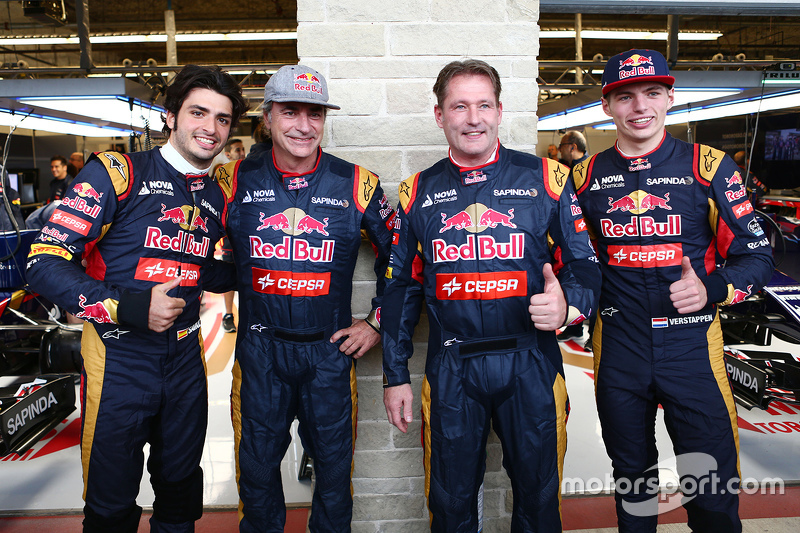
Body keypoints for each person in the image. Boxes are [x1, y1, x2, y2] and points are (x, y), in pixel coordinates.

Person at [26, 64, 248, 532]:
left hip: (187, 360)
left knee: (182, 494)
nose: (210, 128)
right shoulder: (117, 173)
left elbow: (203, 268)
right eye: (198, 112)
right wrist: (127, 306)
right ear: (170, 116)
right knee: (110, 504)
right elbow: (42, 263)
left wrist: (265, 273)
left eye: (223, 119)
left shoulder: (217, 193)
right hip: (118, 357)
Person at [381, 59, 599, 532]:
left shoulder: (548, 178)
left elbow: (585, 264)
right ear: (440, 115)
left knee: (540, 503)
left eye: (483, 105)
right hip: (452, 369)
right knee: (451, 506)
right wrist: (394, 374)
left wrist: (569, 306)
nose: (473, 118)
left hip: (532, 364)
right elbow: (400, 289)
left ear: (500, 111)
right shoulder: (416, 191)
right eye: (459, 106)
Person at [571, 49, 774, 532]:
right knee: (633, 483)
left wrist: (713, 288)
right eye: (625, 96)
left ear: (670, 98)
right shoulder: (583, 177)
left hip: (692, 347)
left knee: (711, 485)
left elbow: (758, 256)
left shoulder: (710, 166)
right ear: (607, 106)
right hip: (619, 345)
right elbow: (571, 260)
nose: (640, 106)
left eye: (652, 93)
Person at [215, 64, 395, 532]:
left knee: (334, 480)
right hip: (259, 352)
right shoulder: (229, 180)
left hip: (328, 355)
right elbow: (189, 247)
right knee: (255, 477)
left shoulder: (359, 183)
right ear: (268, 117)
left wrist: (375, 322)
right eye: (290, 112)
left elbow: (402, 259)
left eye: (314, 113)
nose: (303, 125)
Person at [556, 130, 593, 346]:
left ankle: (592, 333)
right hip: (573, 233)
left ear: (572, 146)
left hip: (589, 233)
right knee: (574, 280)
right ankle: (575, 326)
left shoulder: (586, 170)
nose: (560, 150)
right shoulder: (567, 169)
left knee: (592, 281)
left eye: (562, 146)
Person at [218, 138, 246, 333]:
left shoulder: (248, 172)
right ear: (228, 154)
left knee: (248, 277)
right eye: (238, 150)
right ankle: (228, 314)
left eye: (243, 149)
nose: (242, 153)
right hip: (229, 236)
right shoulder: (222, 174)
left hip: (247, 235)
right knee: (228, 273)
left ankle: (248, 313)